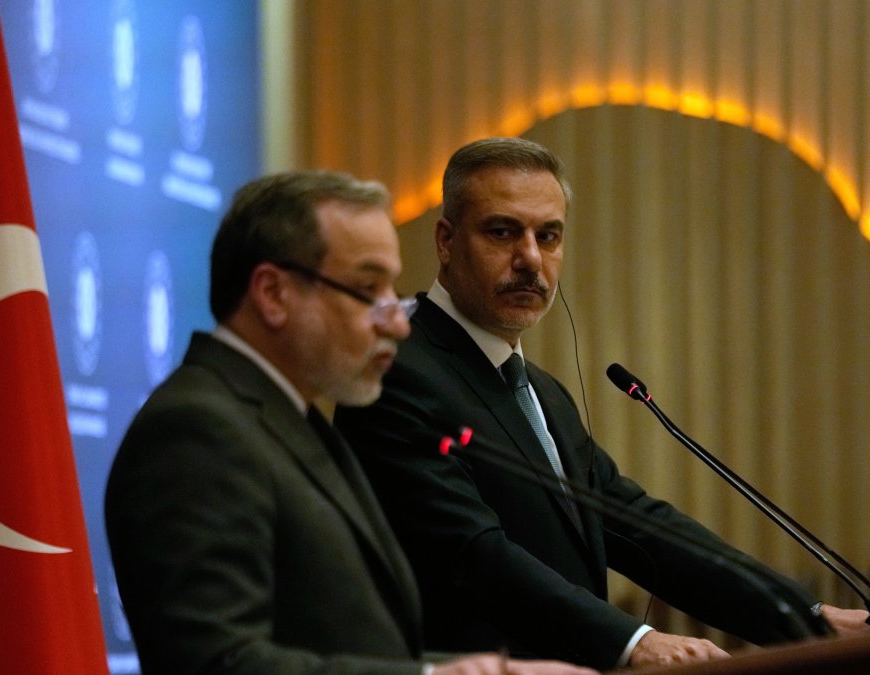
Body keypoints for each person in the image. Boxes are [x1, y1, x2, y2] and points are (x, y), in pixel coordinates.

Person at [333, 138, 870, 671]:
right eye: (502, 232)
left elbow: (638, 527)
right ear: (447, 242)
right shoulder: (397, 373)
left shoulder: (543, 392)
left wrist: (804, 615)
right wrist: (633, 639)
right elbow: (471, 552)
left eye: (548, 236)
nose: (529, 259)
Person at [105, 170, 596, 675]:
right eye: (367, 289)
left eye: (392, 290)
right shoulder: (197, 432)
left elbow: (351, 647)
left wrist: (493, 672)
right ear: (273, 294)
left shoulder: (291, 422)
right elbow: (217, 661)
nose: (398, 321)